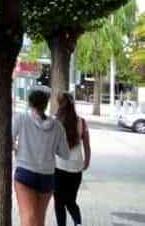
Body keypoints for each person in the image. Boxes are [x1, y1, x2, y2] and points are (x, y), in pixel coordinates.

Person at [13, 86, 71, 226]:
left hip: (25, 172)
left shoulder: (21, 119)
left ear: (30, 103)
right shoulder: (57, 126)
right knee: (39, 218)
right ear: (46, 104)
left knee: (28, 217)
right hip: (47, 176)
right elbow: (65, 154)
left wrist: (18, 148)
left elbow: (8, 140)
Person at [54, 91, 91, 226]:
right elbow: (87, 144)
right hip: (76, 167)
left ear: (60, 104)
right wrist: (87, 161)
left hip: (59, 166)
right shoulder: (82, 122)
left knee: (59, 202)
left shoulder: (55, 121)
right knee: (70, 200)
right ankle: (78, 223)